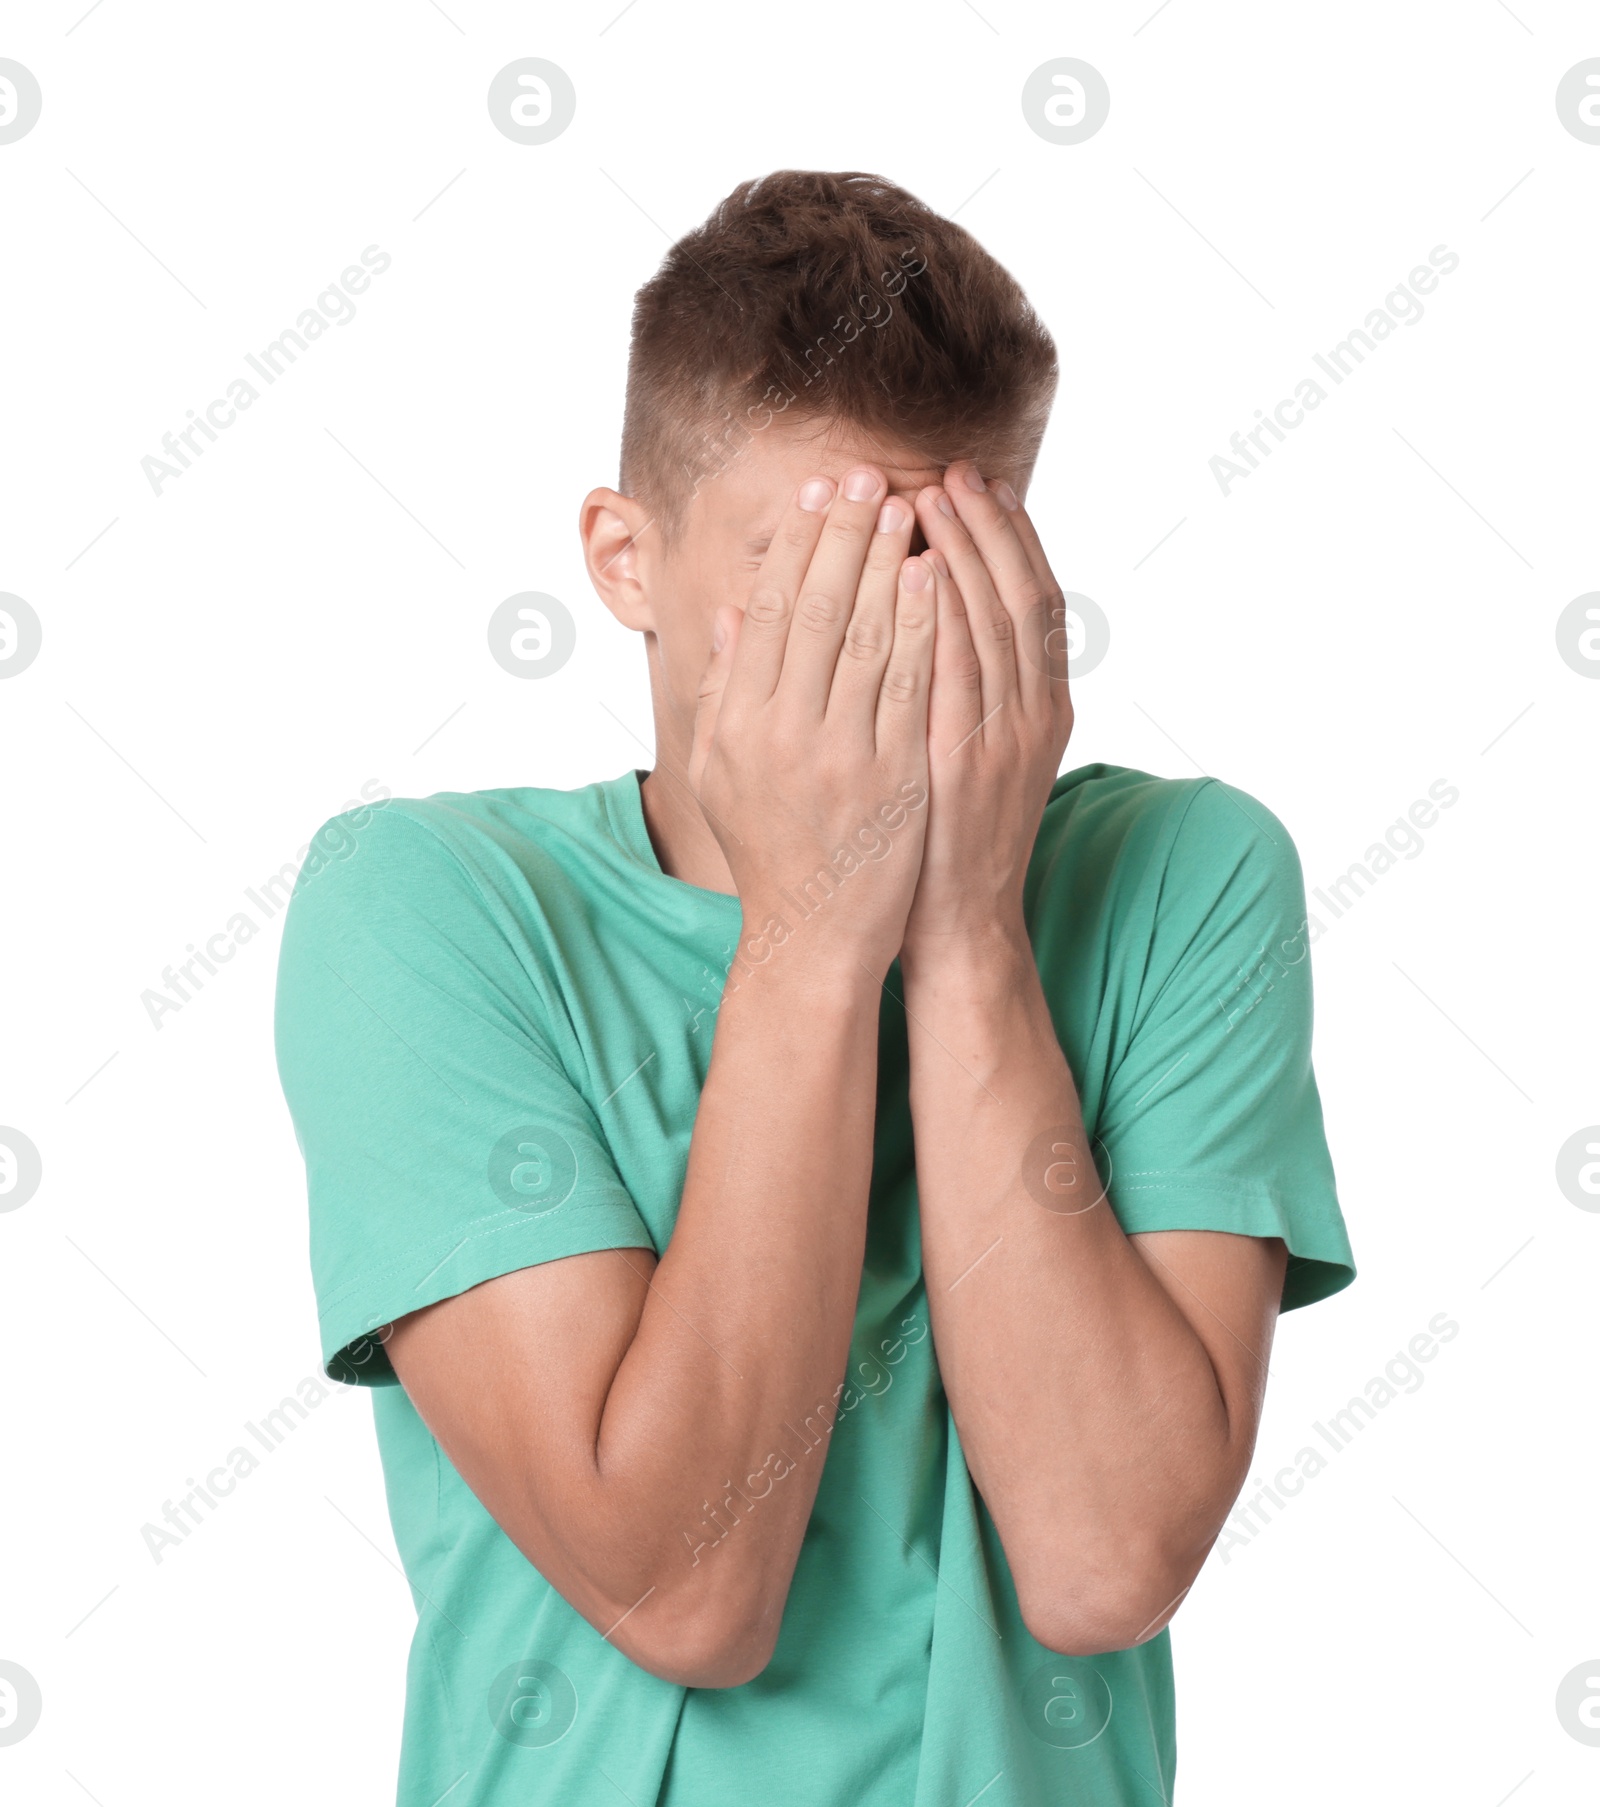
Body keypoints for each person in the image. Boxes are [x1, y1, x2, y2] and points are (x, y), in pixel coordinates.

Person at [275, 169, 1354, 1807]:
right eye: (809, 579)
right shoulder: (428, 909)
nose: (874, 650)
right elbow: (682, 1589)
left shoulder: (1183, 878)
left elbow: (1102, 1562)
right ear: (624, 562)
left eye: (935, 568)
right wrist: (813, 930)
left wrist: (974, 929)